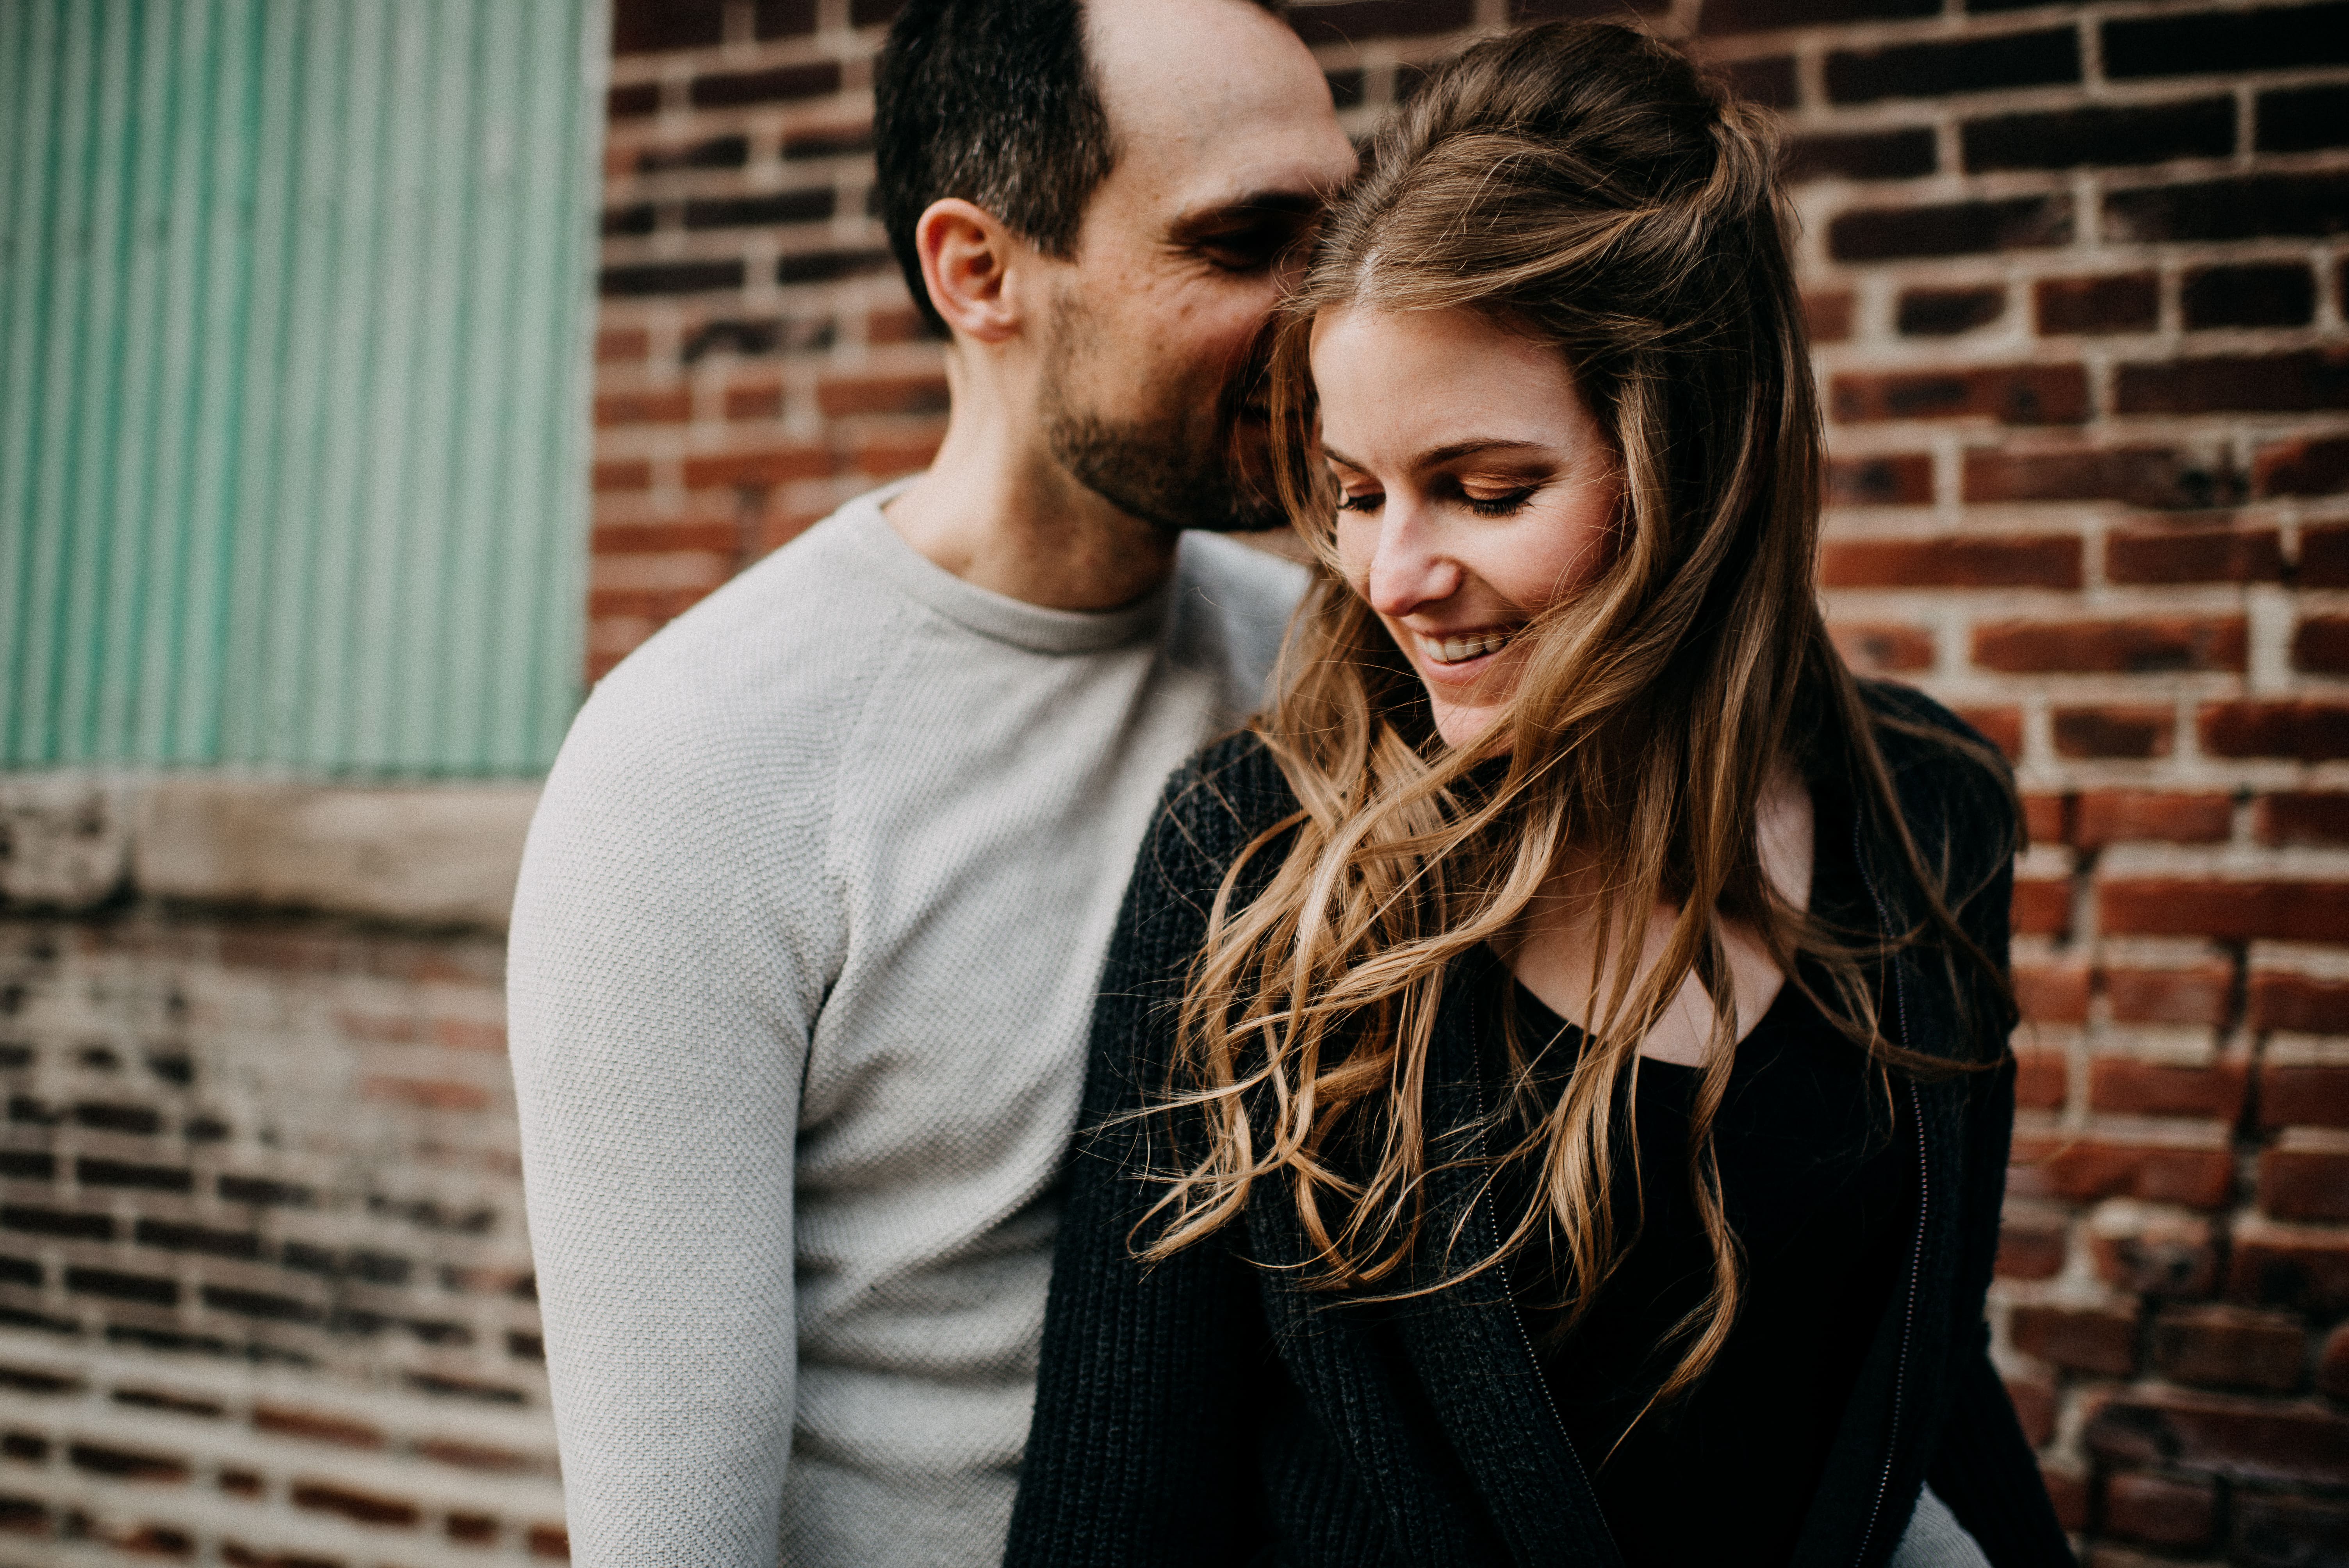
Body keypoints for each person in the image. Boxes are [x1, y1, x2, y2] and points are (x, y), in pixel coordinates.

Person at [1007, 22, 2075, 1568]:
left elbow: (1916, 1364)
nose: (1396, 575)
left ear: (1701, 459)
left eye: (1488, 489)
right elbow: (1119, 1503)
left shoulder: (1932, 816)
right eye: (1358, 490)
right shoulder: (1250, 857)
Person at [504, 1, 1355, 1562]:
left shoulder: (1346, 668)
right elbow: (673, 1531)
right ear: (979, 271)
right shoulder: (700, 769)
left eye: (1339, 234)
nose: (1327, 317)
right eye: (1243, 245)